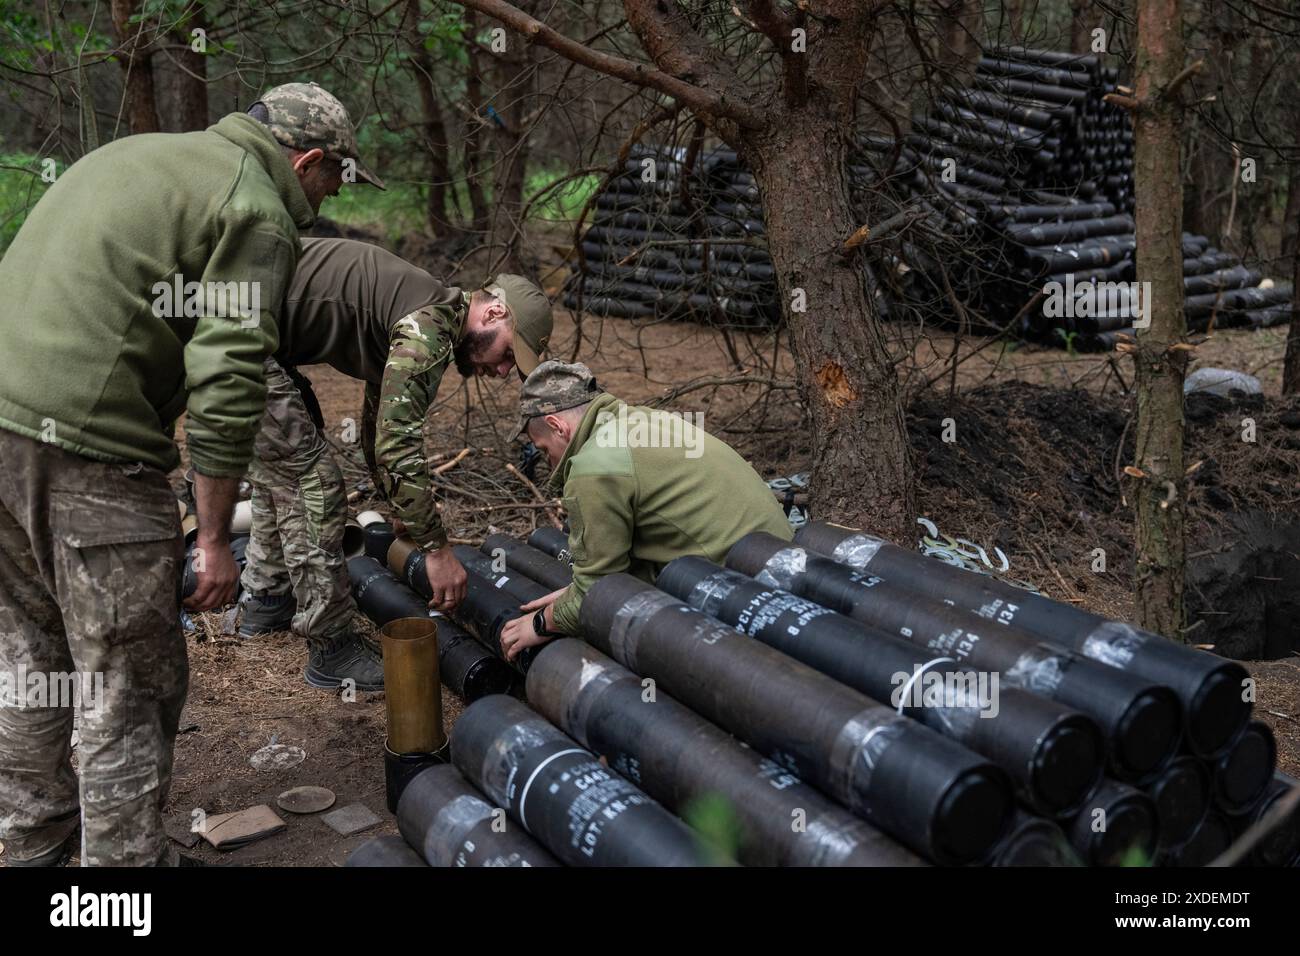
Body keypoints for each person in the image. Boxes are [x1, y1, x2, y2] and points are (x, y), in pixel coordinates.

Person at [0, 82, 379, 867]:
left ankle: (31, 854)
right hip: (89, 455)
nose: (332, 195)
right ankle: (119, 889)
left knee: (34, 661)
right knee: (127, 688)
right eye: (335, 176)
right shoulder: (258, 205)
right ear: (304, 160)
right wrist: (212, 537)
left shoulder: (140, 155)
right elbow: (230, 370)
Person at [237, 237, 554, 691]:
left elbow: (377, 428)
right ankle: (332, 649)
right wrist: (438, 551)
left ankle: (266, 602)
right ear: (494, 313)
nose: (503, 371)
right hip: (231, 329)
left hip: (231, 321)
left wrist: (401, 509)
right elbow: (396, 444)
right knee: (316, 484)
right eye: (507, 354)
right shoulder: (426, 329)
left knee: (285, 466)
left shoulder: (419, 310)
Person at [497, 361, 793, 661]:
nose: (549, 462)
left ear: (557, 426)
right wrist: (573, 593)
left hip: (745, 598)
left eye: (545, 449)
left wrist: (541, 623)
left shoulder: (593, 468)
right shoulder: (646, 421)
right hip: (789, 564)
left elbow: (600, 594)